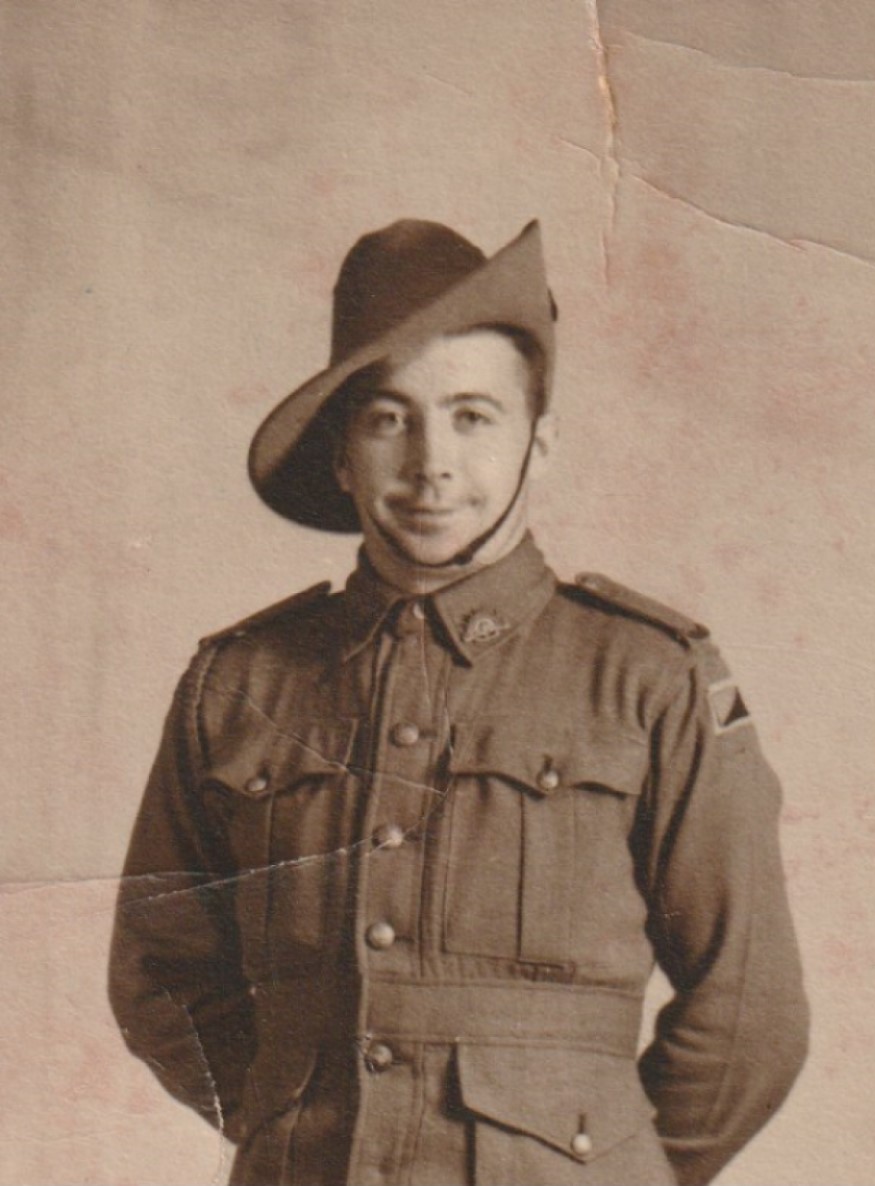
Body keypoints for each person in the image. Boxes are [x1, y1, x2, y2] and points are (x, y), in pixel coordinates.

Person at [109, 219, 808, 1186]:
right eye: (389, 418)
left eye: (473, 417)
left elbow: (752, 1015)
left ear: (541, 442)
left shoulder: (649, 676)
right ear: (344, 455)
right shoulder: (240, 684)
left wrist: (610, 1166)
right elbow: (160, 974)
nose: (431, 463)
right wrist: (291, 1111)